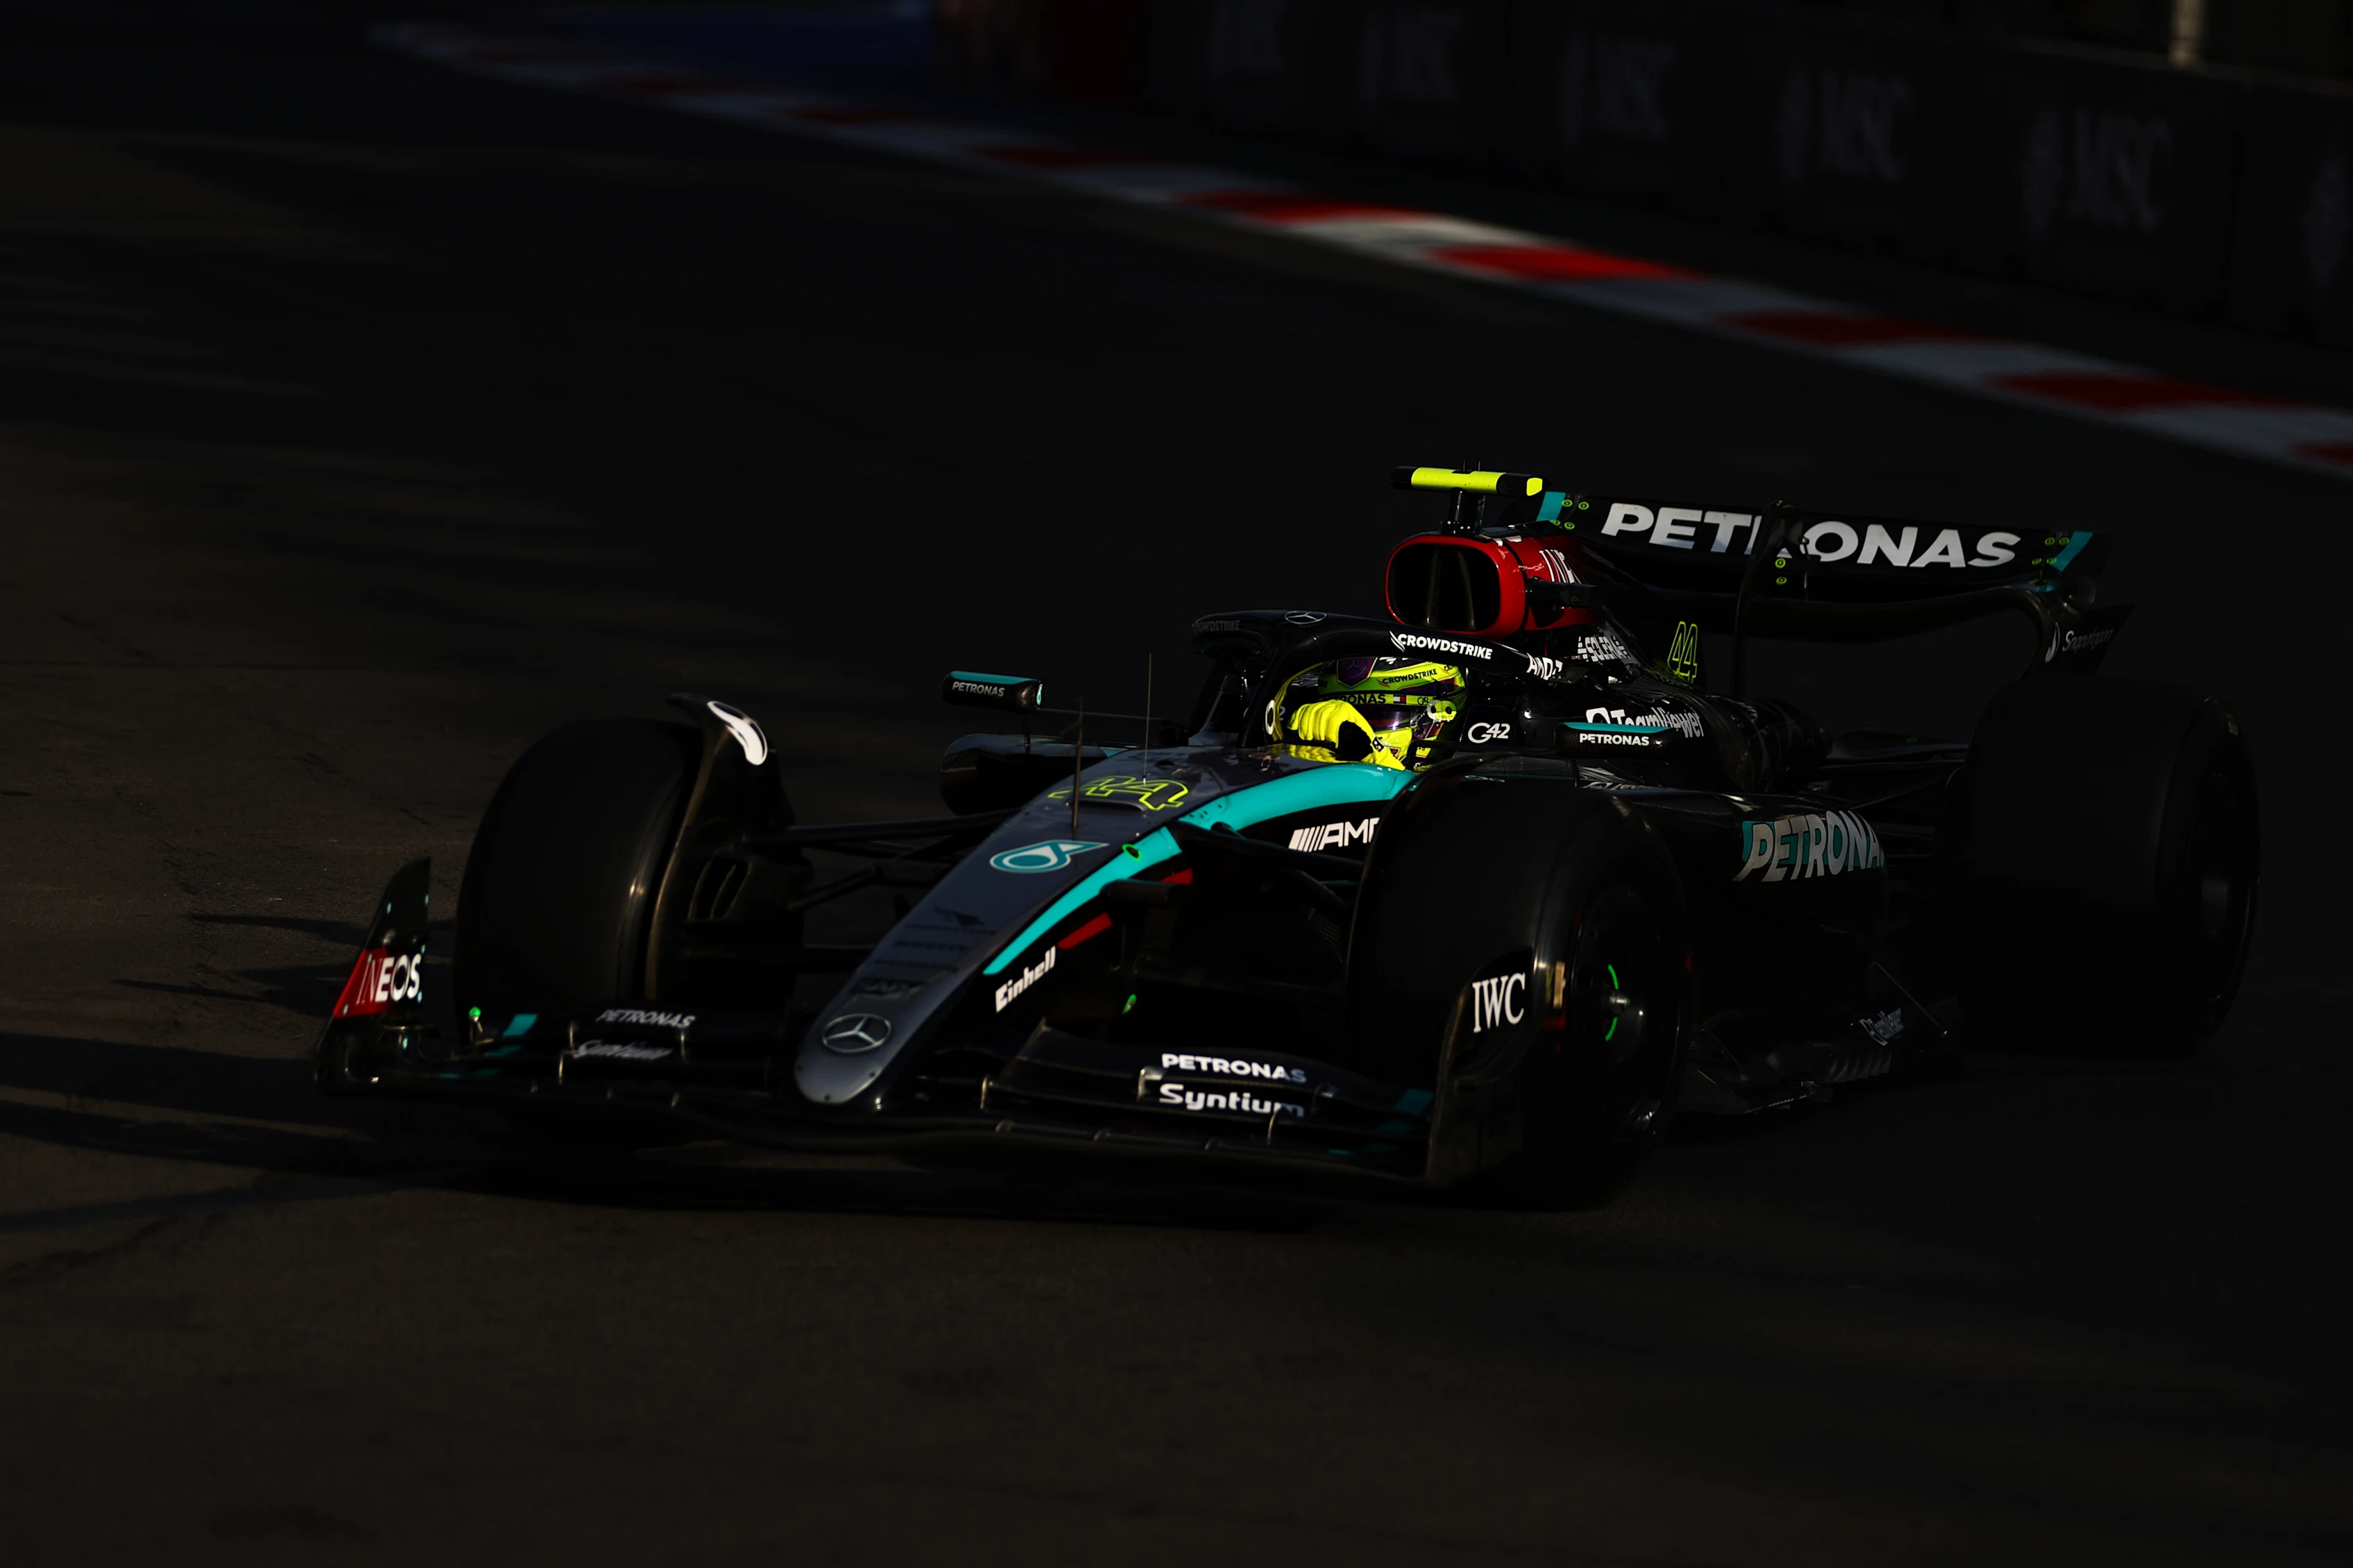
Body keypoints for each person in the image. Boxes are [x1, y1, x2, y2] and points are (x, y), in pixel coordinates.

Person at [1278, 657, 1463, 770]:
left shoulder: (1477, 778)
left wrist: (1375, 753)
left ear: (1440, 713)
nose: (1361, 725)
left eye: (1379, 713)